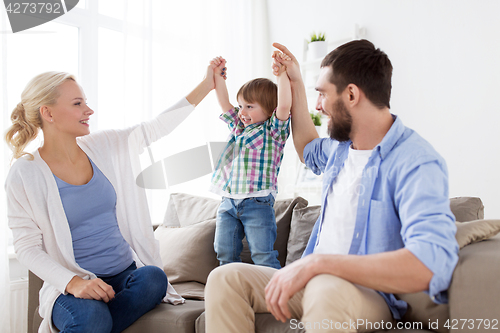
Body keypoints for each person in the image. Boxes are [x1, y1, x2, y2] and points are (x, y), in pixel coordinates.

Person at [204, 40, 459, 332]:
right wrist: (295, 81)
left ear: (351, 94)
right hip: (312, 281)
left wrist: (319, 264)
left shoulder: (416, 162)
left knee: (327, 289)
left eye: (323, 94)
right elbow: (307, 147)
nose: (318, 106)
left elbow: (430, 262)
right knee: (225, 279)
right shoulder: (340, 149)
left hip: (366, 295)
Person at [5, 65, 217, 333]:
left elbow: (154, 128)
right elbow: (27, 247)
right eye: (77, 103)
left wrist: (207, 85)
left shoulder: (102, 147)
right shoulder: (25, 173)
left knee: (154, 278)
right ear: (48, 113)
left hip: (124, 275)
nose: (88, 110)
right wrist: (74, 283)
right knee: (93, 318)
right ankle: (95, 320)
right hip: (73, 282)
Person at [208, 53, 292, 269]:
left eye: (249, 107)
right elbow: (225, 104)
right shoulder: (239, 128)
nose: (242, 112)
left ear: (268, 109)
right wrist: (218, 77)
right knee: (224, 252)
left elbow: (283, 107)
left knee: (263, 254)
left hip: (258, 202)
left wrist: (282, 74)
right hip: (228, 201)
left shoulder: (273, 131)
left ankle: (275, 300)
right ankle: (232, 295)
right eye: (241, 106)